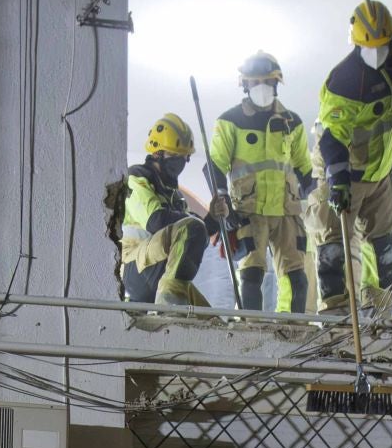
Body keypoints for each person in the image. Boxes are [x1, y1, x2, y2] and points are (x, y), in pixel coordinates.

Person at [310, 0, 392, 311]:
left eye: (383, 45)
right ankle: (335, 319)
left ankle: (378, 313)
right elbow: (332, 137)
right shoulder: (345, 80)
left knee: (383, 252)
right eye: (370, 48)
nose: (377, 53)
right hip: (346, 175)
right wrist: (338, 179)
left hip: (379, 175)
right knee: (333, 252)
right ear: (356, 44)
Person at [208, 52, 314, 313]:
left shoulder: (293, 122)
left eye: (267, 82)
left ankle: (292, 330)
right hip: (248, 212)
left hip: (286, 213)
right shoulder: (230, 121)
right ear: (245, 85)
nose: (262, 88)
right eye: (255, 83)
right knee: (251, 275)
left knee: (297, 279)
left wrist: (320, 196)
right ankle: (251, 330)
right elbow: (214, 165)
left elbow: (304, 168)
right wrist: (223, 201)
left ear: (276, 84)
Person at [118, 116, 224, 307]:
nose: (181, 162)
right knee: (191, 226)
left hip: (163, 271)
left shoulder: (175, 196)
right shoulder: (136, 179)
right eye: (175, 156)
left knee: (210, 320)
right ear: (157, 152)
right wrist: (194, 221)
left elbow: (194, 234)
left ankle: (171, 300)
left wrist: (213, 218)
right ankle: (169, 303)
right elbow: (156, 220)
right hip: (136, 268)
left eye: (184, 157)